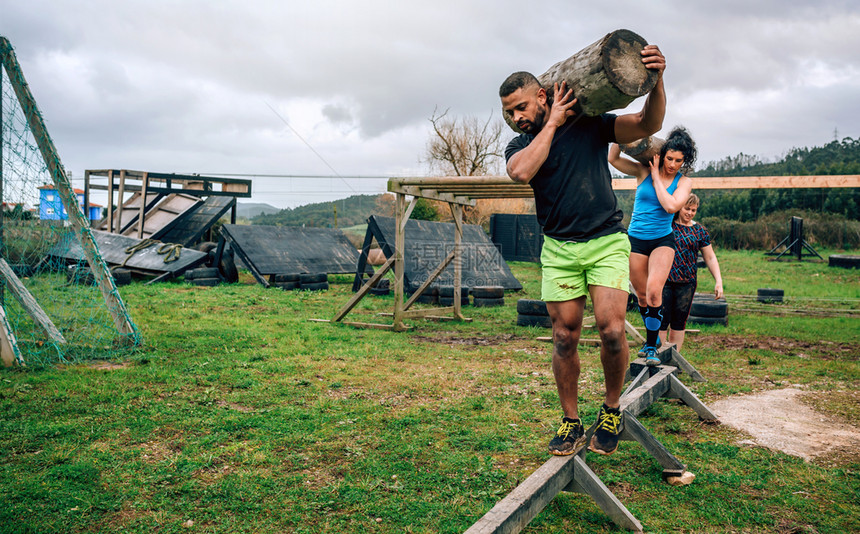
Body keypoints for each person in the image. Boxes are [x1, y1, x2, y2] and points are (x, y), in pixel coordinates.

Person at [499, 44, 666, 457]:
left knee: (611, 330)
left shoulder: (590, 123)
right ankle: (571, 421)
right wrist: (550, 123)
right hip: (558, 249)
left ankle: (611, 410)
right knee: (563, 336)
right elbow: (521, 173)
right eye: (508, 113)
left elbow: (648, 121)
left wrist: (657, 81)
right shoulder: (518, 146)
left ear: (542, 94)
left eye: (521, 107)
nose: (516, 118)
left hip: (605, 240)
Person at [608, 127, 695, 365]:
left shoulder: (684, 182)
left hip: (662, 241)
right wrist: (620, 132)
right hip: (636, 239)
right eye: (669, 158)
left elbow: (670, 206)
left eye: (679, 160)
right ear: (661, 154)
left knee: (655, 291)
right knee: (643, 297)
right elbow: (612, 158)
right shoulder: (641, 171)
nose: (673, 164)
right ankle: (653, 340)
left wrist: (657, 178)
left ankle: (650, 347)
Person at [659, 193, 724, 352]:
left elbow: (709, 257)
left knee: (679, 322)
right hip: (664, 280)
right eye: (687, 208)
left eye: (693, 210)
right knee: (661, 320)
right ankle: (658, 356)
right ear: (679, 207)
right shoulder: (667, 226)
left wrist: (718, 281)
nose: (690, 213)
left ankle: (674, 358)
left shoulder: (700, 231)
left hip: (687, 283)